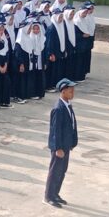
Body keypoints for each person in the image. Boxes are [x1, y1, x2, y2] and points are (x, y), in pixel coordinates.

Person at [44, 78, 78, 208]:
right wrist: (57, 148)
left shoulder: (67, 105)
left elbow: (72, 125)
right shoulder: (58, 109)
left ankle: (55, 194)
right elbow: (55, 131)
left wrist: (72, 142)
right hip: (59, 147)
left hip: (66, 145)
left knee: (62, 171)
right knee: (55, 171)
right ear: (63, 91)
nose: (73, 93)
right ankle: (49, 196)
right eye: (70, 91)